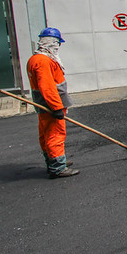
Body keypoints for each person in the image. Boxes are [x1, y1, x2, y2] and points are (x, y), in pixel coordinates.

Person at [26, 27, 79, 178]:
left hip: (44, 104)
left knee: (46, 134)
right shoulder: (43, 61)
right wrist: (56, 107)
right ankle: (58, 167)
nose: (58, 47)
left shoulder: (36, 58)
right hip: (50, 104)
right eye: (58, 43)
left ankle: (54, 160)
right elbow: (47, 86)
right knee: (55, 135)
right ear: (52, 43)